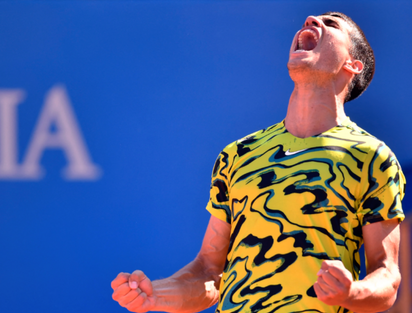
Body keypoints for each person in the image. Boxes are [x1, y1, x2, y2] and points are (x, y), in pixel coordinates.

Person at [111, 11, 406, 313]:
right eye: (310, 20)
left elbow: (387, 277)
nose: (310, 20)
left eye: (331, 23)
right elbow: (210, 273)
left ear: (351, 65)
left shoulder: (372, 156)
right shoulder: (238, 154)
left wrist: (350, 292)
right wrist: (156, 295)